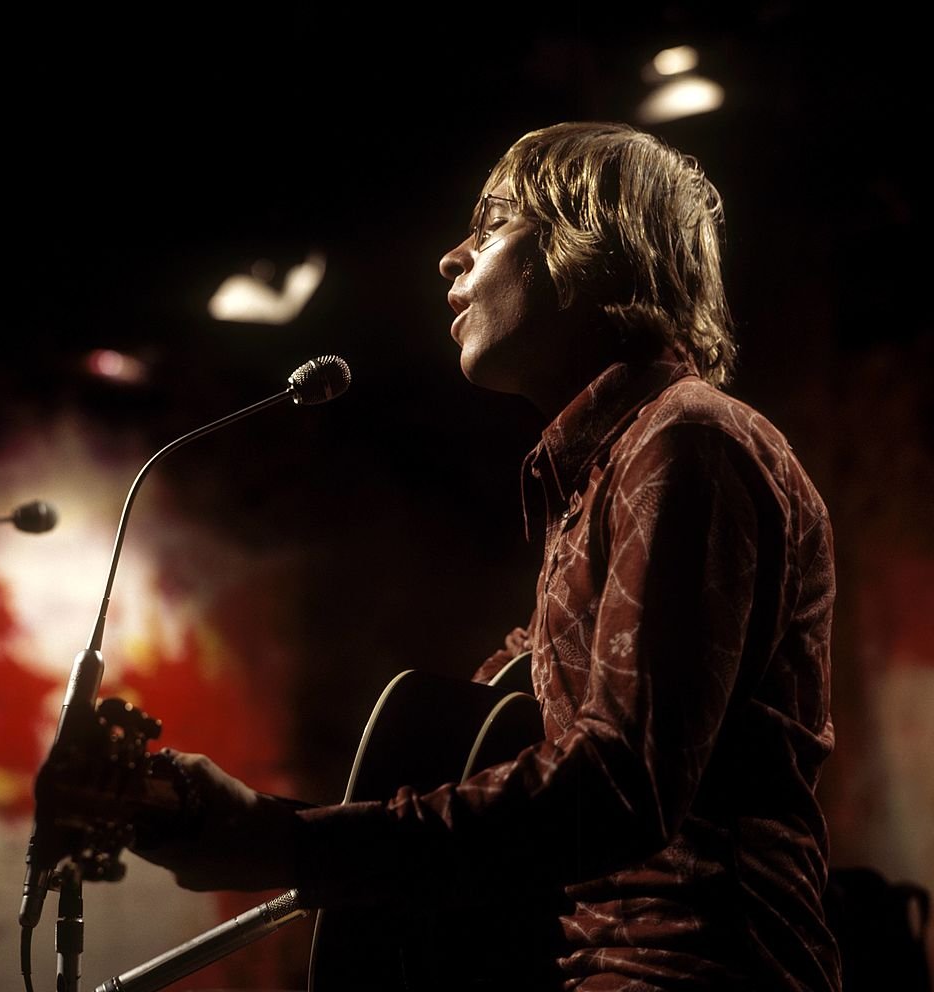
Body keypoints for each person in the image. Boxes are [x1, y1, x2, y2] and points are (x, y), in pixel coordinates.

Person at [130, 122, 842, 991]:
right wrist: (263, 824)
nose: (449, 258)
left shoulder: (686, 442)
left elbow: (619, 786)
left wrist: (283, 841)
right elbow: (484, 771)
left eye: (494, 221)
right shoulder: (607, 477)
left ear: (592, 243)